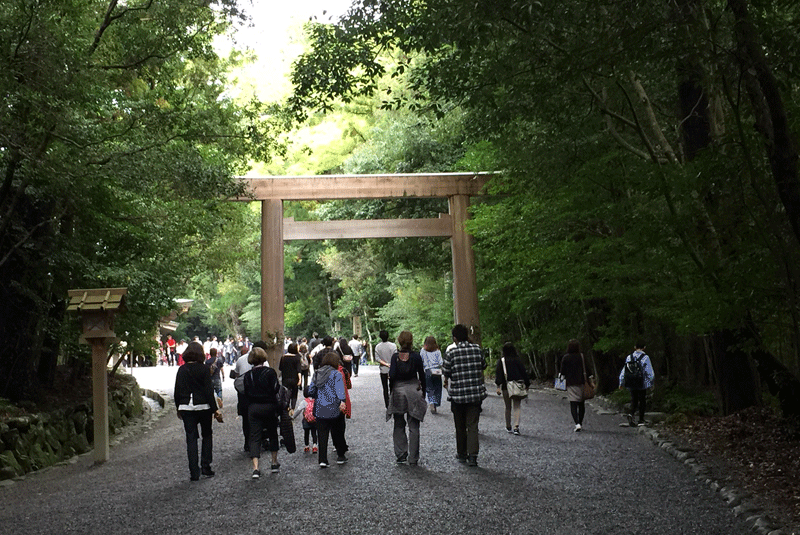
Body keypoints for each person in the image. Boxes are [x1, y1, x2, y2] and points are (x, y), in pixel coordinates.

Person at [174, 341, 220, 480]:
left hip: (186, 407)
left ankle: (194, 471)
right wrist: (215, 409)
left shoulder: (182, 369)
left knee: (191, 438)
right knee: (207, 435)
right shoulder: (204, 369)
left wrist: (178, 407)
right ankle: (206, 466)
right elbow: (208, 390)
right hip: (204, 406)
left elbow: (177, 391)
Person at [442, 324, 487, 467]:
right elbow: (483, 365)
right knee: (473, 426)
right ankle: (473, 455)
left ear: (455, 338)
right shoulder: (477, 350)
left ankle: (462, 453)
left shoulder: (451, 353)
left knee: (460, 426)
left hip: (458, 395)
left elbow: (446, 371)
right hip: (475, 394)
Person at [387, 331, 426, 465]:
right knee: (414, 425)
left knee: (398, 424)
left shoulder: (395, 357)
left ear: (399, 341)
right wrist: (424, 392)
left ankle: (401, 453)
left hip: (398, 390)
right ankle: (413, 458)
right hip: (413, 390)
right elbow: (422, 374)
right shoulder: (416, 356)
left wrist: (390, 391)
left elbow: (391, 375)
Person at [242, 346, 281, 479]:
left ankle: (256, 468)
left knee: (254, 436)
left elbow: (245, 392)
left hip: (253, 407)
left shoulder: (248, 375)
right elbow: (276, 388)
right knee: (272, 433)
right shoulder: (270, 372)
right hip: (269, 406)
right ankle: (274, 462)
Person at [308, 351, 348, 468]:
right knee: (337, 432)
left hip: (320, 408)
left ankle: (323, 459)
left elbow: (311, 390)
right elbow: (340, 391)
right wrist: (342, 402)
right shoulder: (336, 374)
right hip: (334, 407)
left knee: (322, 435)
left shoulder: (316, 373)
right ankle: (340, 455)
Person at [495, 342, 530, 435]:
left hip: (506, 386)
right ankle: (516, 426)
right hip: (517, 385)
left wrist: (498, 386)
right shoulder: (518, 360)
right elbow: (523, 372)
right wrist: (527, 384)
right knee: (517, 406)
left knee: (507, 407)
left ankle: (508, 426)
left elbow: (498, 374)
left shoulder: (502, 361)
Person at [559, 339, 594, 432]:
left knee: (573, 403)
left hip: (571, 383)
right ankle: (581, 422)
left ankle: (577, 423)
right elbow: (588, 368)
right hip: (582, 382)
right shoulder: (581, 356)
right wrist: (591, 380)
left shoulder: (566, 358)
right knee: (581, 403)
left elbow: (562, 372)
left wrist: (560, 381)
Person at [619, 340, 654, 427]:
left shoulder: (629, 357)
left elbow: (624, 370)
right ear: (644, 347)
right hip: (642, 382)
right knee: (642, 400)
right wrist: (651, 382)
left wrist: (621, 382)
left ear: (635, 347)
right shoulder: (645, 357)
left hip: (631, 382)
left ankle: (631, 414)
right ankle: (641, 419)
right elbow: (649, 372)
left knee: (634, 399)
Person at [232, 343, 254, 451]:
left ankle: (247, 442)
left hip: (244, 393)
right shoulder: (262, 360)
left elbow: (236, 375)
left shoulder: (240, 360)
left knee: (246, 419)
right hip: (257, 393)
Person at [420, 336, 443, 414]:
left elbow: (421, 361)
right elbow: (441, 362)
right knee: (437, 388)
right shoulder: (437, 351)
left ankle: (431, 402)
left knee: (429, 388)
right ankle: (436, 404)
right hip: (437, 371)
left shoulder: (423, 351)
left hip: (428, 371)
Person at [374, 330, 397, 409]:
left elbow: (377, 359)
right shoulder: (393, 346)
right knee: (393, 387)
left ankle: (387, 405)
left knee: (385, 388)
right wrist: (390, 364)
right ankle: (393, 403)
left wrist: (386, 364)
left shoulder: (378, 347)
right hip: (392, 369)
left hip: (383, 370)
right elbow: (396, 356)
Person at [279, 342, 302, 410]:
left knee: (286, 393)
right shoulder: (297, 358)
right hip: (294, 379)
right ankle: (293, 408)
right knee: (294, 394)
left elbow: (280, 368)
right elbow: (299, 370)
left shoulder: (283, 357)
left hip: (285, 378)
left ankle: (287, 407)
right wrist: (300, 379)